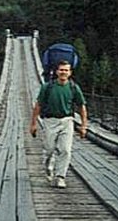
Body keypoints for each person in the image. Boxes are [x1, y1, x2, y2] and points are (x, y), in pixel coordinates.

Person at [29, 60, 88, 188]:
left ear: (70, 73)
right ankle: (48, 167)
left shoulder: (74, 87)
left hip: (67, 121)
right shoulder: (47, 87)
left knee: (65, 150)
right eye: (61, 70)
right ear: (56, 72)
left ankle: (60, 176)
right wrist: (33, 124)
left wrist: (84, 126)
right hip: (50, 121)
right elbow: (38, 105)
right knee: (49, 149)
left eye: (66, 70)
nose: (63, 72)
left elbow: (81, 106)